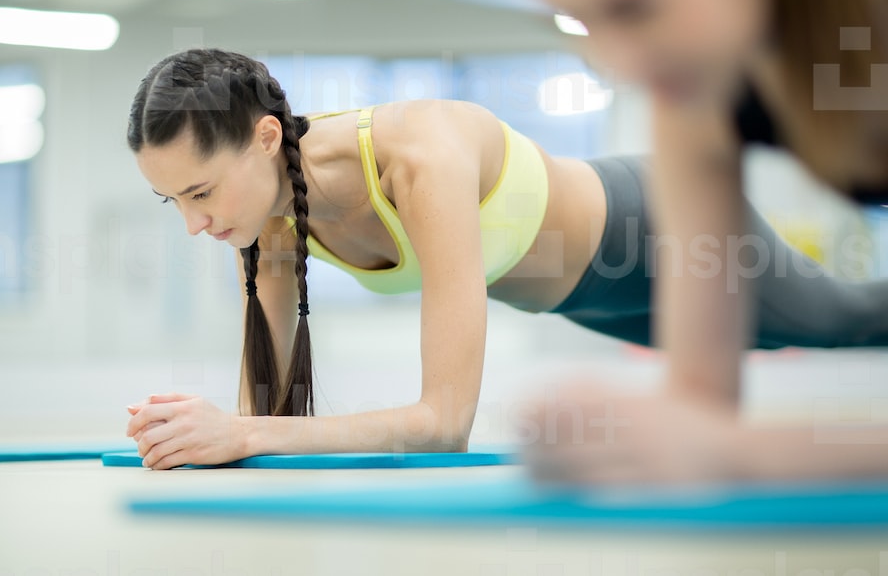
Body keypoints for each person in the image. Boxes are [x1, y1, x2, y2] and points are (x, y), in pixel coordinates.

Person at [123, 48, 888, 471]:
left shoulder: (419, 155)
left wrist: (244, 434)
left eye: (200, 191)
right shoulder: (264, 221)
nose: (195, 224)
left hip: (669, 233)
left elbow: (443, 424)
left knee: (854, 320)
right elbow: (265, 417)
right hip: (590, 301)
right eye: (174, 203)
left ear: (263, 138)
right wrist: (201, 433)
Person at [511, 0, 888, 482]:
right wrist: (612, 438)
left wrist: (742, 451)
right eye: (579, 20)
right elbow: (699, 405)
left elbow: (717, 442)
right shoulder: (695, 98)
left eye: (634, 6)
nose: (618, 63)